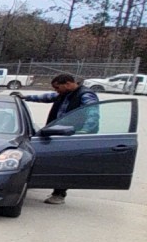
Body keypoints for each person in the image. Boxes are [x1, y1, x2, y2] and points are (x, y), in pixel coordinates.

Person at [13, 73, 99, 205]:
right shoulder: (64, 94)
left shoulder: (85, 95)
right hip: (57, 132)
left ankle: (59, 193)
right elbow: (48, 97)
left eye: (57, 88)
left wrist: (85, 132)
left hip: (71, 136)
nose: (56, 91)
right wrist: (26, 97)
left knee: (65, 164)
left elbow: (93, 113)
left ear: (68, 84)